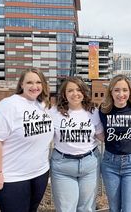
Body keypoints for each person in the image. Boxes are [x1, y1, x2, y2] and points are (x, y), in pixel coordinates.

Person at [0, 68, 53, 212]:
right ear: (21, 85)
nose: (34, 86)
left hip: (40, 173)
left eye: (38, 82)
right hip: (13, 177)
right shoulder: (8, 105)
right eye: (29, 82)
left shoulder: (42, 105)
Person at [50, 77, 103, 212]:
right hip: (63, 165)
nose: (75, 93)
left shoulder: (93, 112)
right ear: (64, 94)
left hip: (89, 163)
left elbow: (102, 137)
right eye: (70, 90)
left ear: (84, 92)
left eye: (78, 90)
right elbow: (43, 138)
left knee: (86, 208)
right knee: (66, 209)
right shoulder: (53, 113)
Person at [99, 74, 131, 212]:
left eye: (125, 90)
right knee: (115, 208)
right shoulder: (103, 110)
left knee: (129, 208)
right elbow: (97, 129)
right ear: (111, 91)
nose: (121, 94)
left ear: (130, 91)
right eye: (117, 90)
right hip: (110, 163)